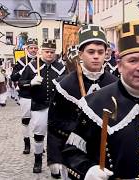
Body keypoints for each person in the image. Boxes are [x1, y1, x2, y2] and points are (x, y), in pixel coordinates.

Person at [62, 20, 139, 180]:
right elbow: (72, 151)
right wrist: (88, 170)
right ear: (120, 65)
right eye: (133, 60)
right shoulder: (94, 103)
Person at [47, 24, 117, 179]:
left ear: (106, 54)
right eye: (91, 52)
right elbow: (54, 124)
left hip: (107, 154)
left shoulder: (115, 84)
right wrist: (55, 156)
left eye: (101, 52)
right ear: (80, 54)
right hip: (73, 154)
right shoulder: (64, 86)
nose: (96, 56)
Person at [19, 39, 66, 173]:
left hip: (57, 108)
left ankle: (54, 166)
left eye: (52, 52)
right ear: (41, 51)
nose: (49, 54)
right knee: (39, 135)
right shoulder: (32, 66)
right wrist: (31, 83)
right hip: (39, 106)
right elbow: (21, 83)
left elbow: (68, 85)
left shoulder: (61, 68)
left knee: (56, 137)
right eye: (47, 52)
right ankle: (38, 160)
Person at [11, 38, 39, 154]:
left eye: (35, 48)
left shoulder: (40, 60)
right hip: (26, 94)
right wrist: (22, 71)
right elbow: (13, 77)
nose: (33, 50)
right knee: (26, 120)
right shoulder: (22, 61)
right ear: (27, 48)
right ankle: (27, 144)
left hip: (39, 95)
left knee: (39, 121)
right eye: (31, 48)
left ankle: (39, 143)